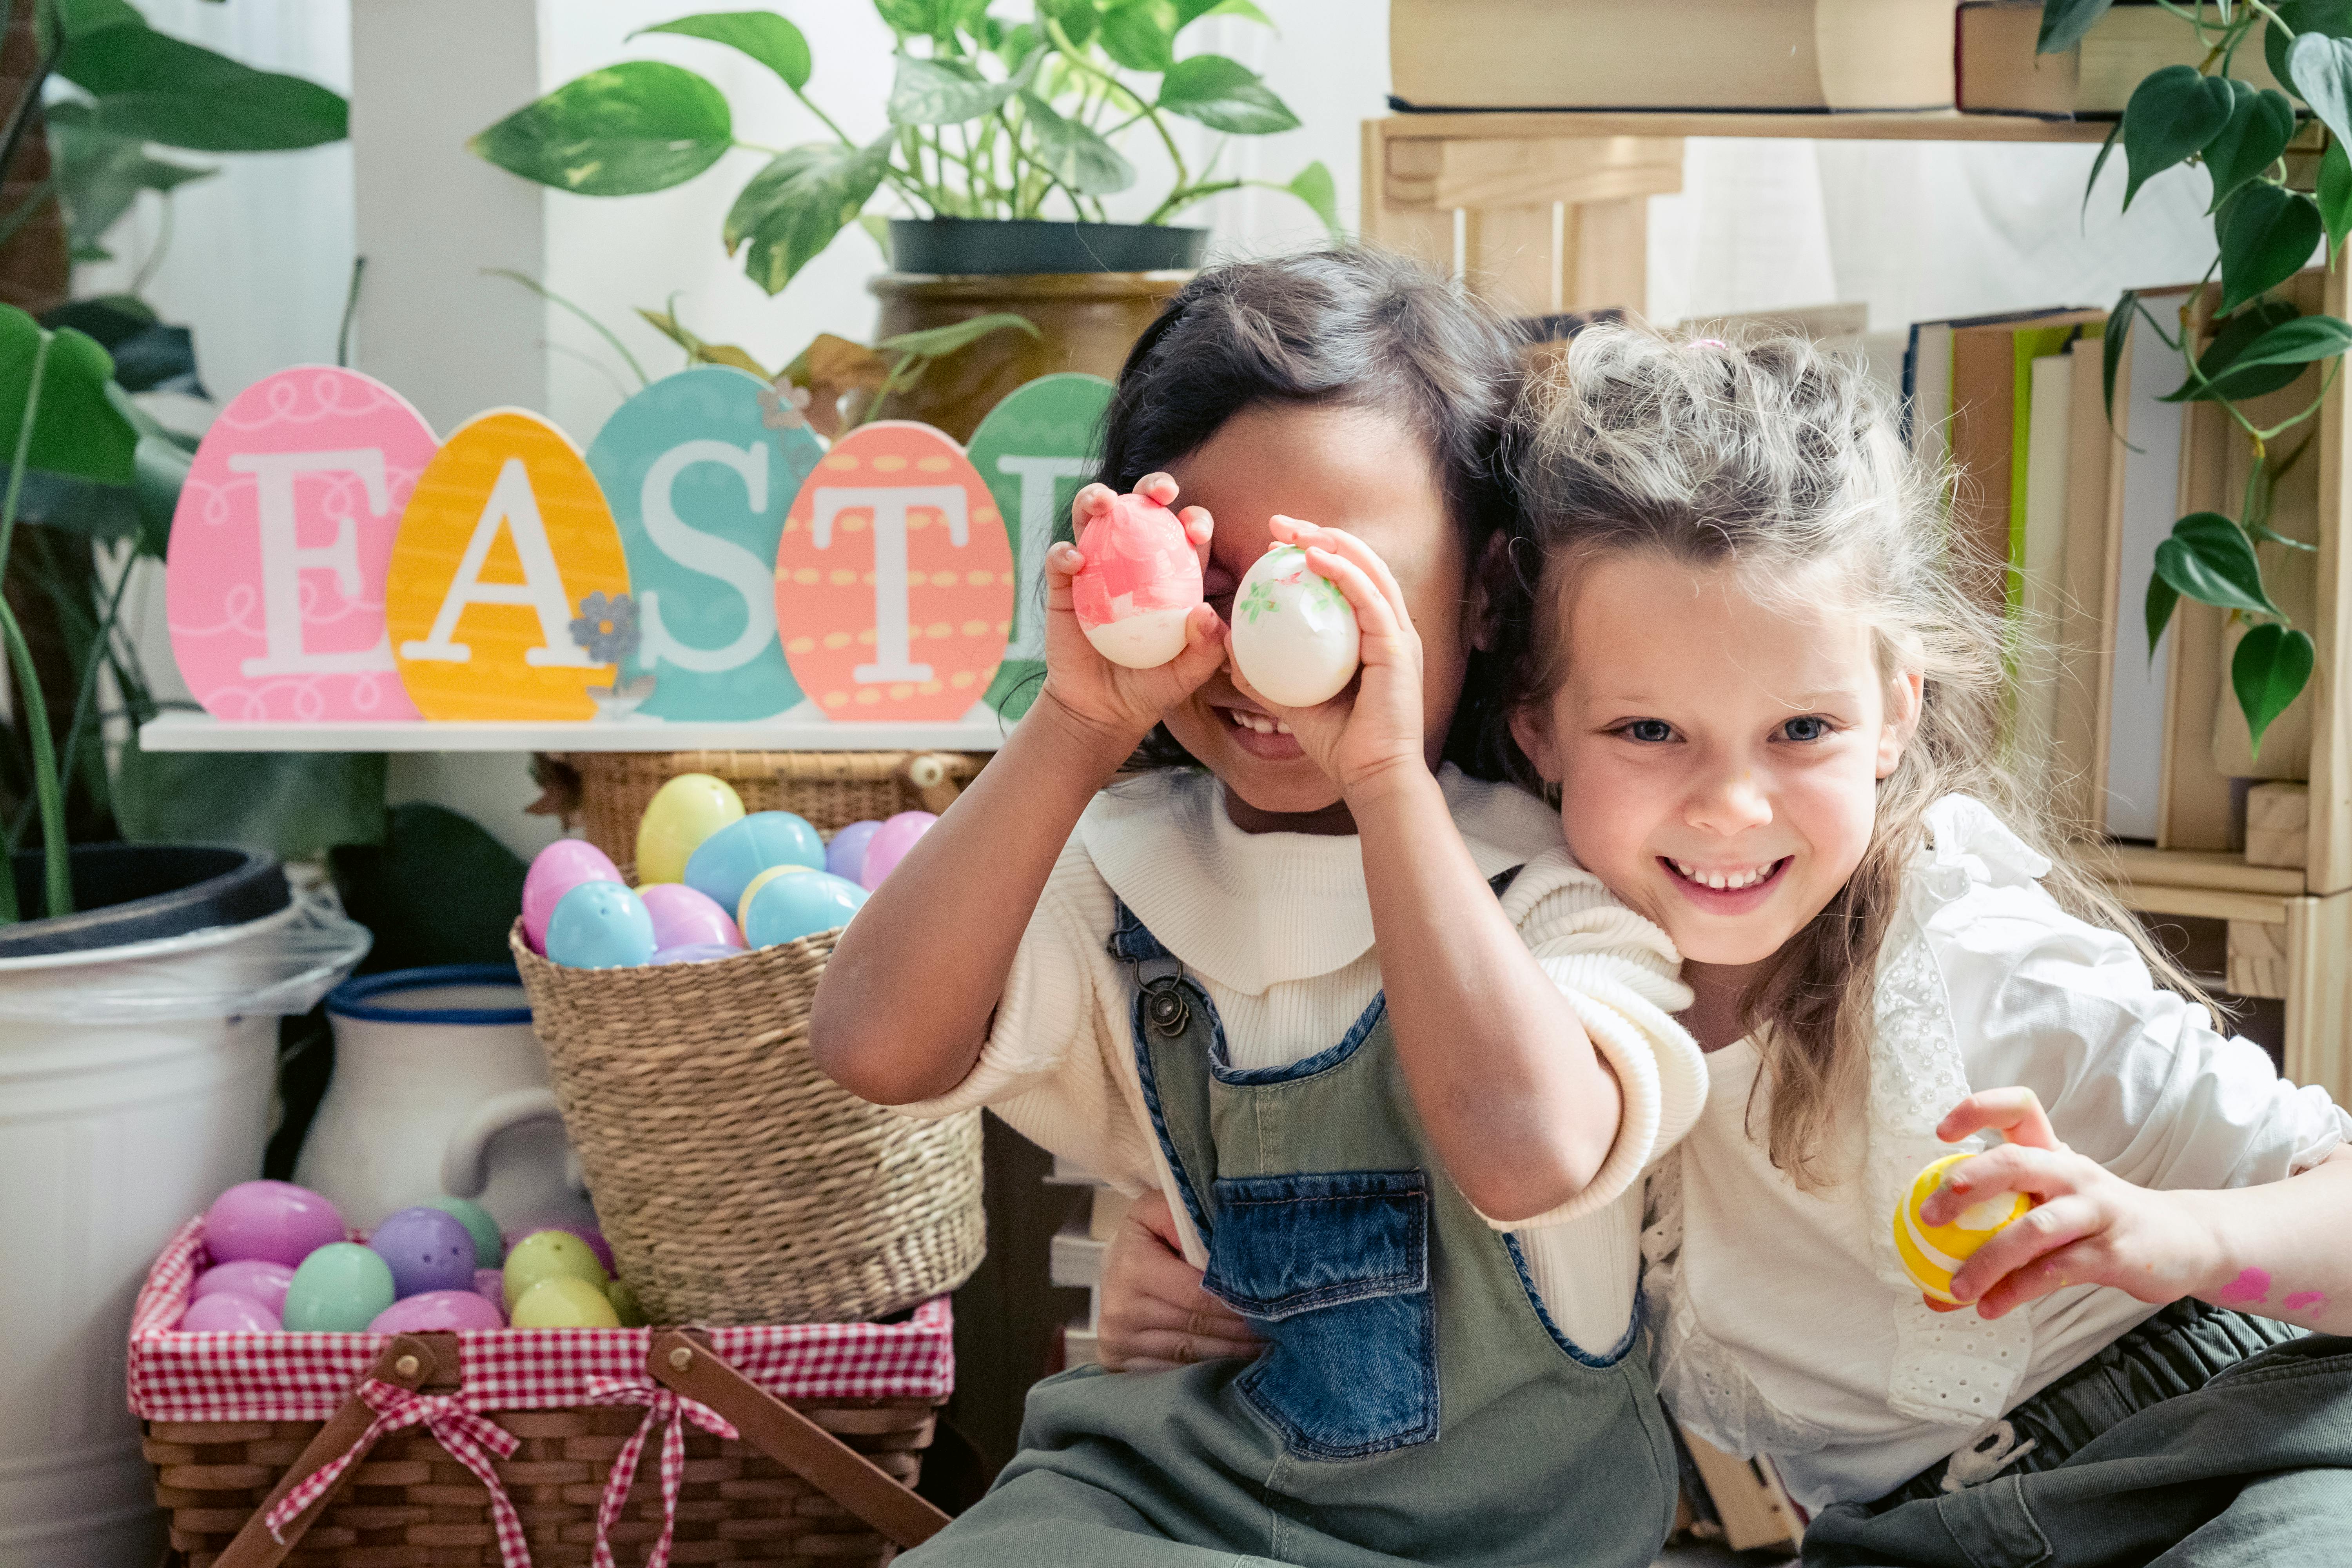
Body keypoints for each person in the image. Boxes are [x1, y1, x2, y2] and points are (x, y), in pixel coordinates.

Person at [1098, 322, 2352, 1566]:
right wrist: (1195, 1289)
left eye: (1802, 727)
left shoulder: (1965, 956)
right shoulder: (1514, 985)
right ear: (1536, 733)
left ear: (1893, 717)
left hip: (2230, 1441)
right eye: (1649, 732)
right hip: (1919, 1538)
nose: (1731, 807)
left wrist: (2175, 1236)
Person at [809, 251, 1705, 1568]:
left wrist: (1387, 776)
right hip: (1175, 1498)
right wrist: (1073, 725)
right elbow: (873, 1046)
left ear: (1486, 594)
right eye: (1205, 579)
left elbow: (1526, 1152)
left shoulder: (1552, 892)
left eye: (1337, 593)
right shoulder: (1128, 871)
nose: (1263, 649)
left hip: (1501, 1539)